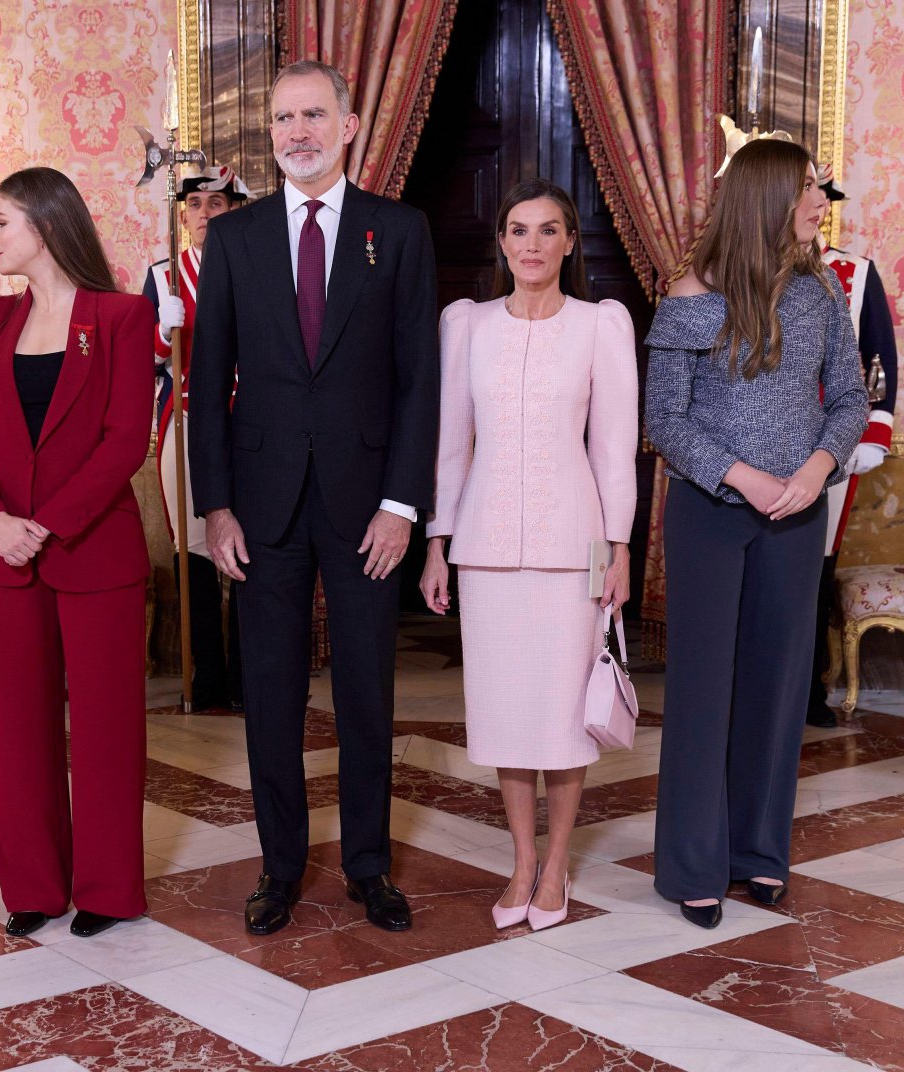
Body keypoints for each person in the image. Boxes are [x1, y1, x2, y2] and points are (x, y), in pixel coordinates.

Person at [190, 60, 439, 937]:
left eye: (312, 115)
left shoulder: (398, 231)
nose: (295, 132)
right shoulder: (234, 238)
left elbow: (420, 382)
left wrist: (403, 505)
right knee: (271, 692)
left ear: (350, 123)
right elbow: (206, 377)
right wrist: (214, 505)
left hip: (367, 504)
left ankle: (369, 866)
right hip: (259, 508)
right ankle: (279, 868)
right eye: (282, 118)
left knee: (368, 692)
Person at [645, 139, 867, 929]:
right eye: (809, 187)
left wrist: (814, 471)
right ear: (768, 196)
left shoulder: (819, 294)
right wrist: (743, 476)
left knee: (776, 690)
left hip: (797, 518)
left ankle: (760, 855)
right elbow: (663, 419)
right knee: (704, 692)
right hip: (711, 514)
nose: (821, 200)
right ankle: (695, 865)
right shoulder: (689, 294)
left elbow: (847, 397)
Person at [420, 179, 637, 932]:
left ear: (570, 243)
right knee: (509, 717)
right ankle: (519, 862)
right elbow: (450, 444)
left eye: (549, 230)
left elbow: (614, 448)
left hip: (571, 547)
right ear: (503, 243)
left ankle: (556, 866)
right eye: (518, 230)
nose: (532, 244)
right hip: (483, 548)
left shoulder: (599, 325)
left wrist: (620, 546)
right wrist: (438, 544)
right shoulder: (466, 325)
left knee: (563, 719)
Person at [0, 167, 154, 940]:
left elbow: (124, 441)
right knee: (19, 729)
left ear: (44, 223)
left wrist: (48, 522)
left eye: (2, 221)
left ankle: (108, 890)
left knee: (106, 730)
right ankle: (33, 886)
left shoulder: (122, 317)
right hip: (10, 556)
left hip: (94, 551)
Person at [142, 166, 249, 711]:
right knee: (197, 551)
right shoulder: (163, 276)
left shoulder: (258, 265)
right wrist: (163, 330)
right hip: (184, 418)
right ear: (182, 217)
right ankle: (205, 677)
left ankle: (250, 679)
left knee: (254, 547)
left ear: (236, 210)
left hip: (250, 422)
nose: (206, 215)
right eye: (197, 206)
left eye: (218, 204)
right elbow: (144, 363)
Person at [805, 165, 898, 727]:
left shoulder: (853, 272)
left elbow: (879, 358)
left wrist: (874, 432)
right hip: (757, 447)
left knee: (816, 568)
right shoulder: (742, 268)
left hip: (835, 441)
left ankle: (810, 690)